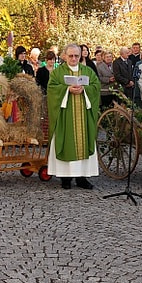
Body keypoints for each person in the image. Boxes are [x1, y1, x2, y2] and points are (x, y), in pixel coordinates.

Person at [47, 44, 101, 190]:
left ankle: (82, 178)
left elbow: (96, 87)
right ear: (65, 56)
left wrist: (85, 89)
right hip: (66, 116)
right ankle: (65, 178)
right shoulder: (58, 73)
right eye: (70, 56)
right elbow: (51, 90)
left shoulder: (87, 71)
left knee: (83, 142)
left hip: (83, 115)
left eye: (76, 56)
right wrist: (66, 90)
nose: (73, 58)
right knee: (66, 142)